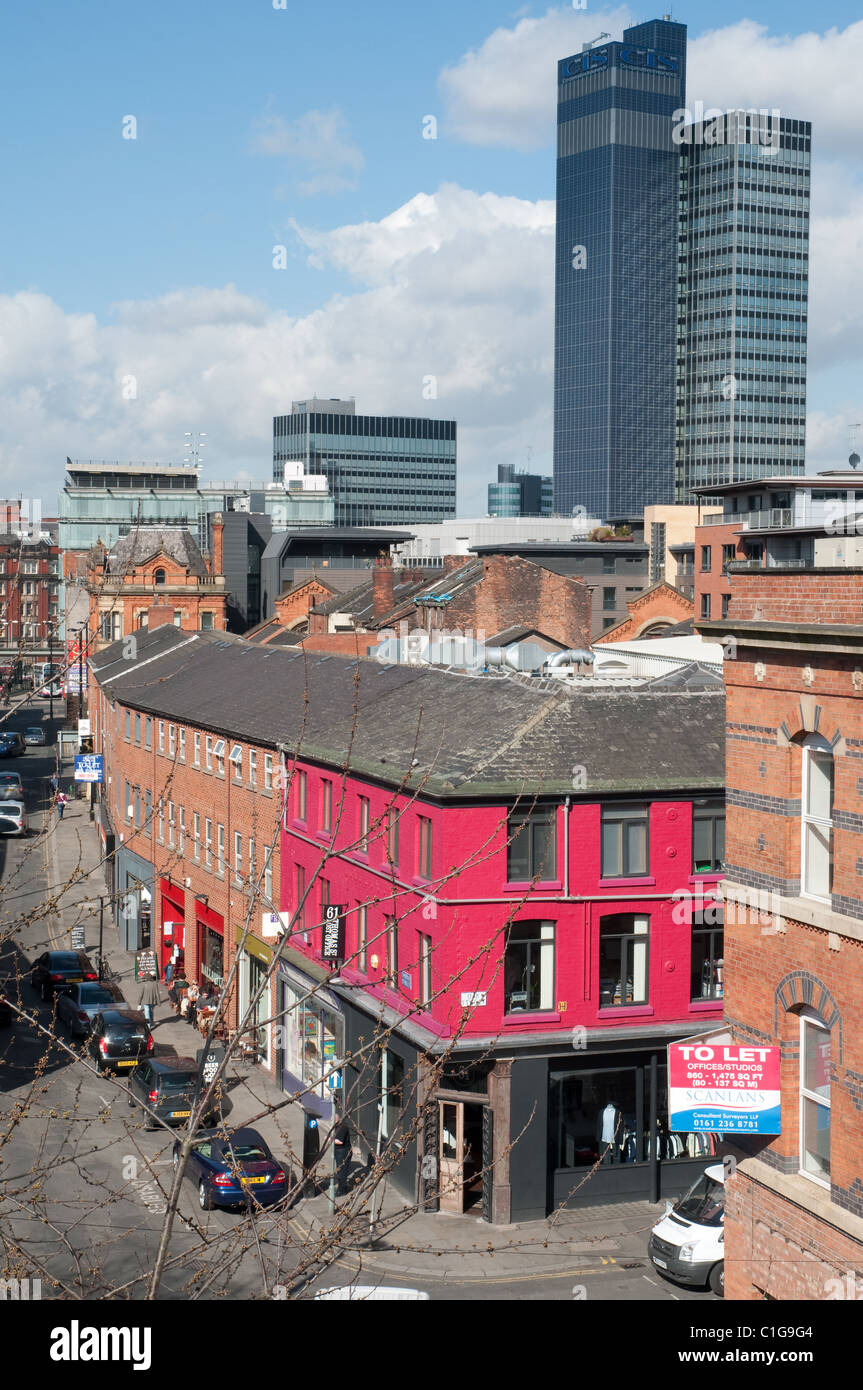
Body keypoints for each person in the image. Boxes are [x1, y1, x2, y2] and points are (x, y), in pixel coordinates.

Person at [332, 1108, 353, 1197]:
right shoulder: (338, 1126)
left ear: (337, 1120)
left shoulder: (342, 1128)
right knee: (340, 1170)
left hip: (343, 1152)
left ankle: (341, 1190)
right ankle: (343, 1187)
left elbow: (339, 1141)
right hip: (340, 1151)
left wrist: (329, 1140)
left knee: (342, 1171)